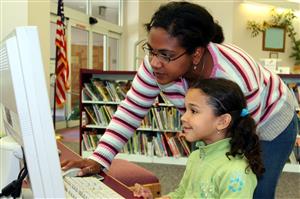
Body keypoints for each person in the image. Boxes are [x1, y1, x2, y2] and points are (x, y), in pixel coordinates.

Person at [61, 2, 298, 198]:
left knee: (252, 187)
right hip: (212, 124)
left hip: (268, 121)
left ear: (196, 53)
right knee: (198, 181)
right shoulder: (157, 65)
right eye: (151, 50)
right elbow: (131, 109)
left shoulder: (236, 76)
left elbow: (242, 139)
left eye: (165, 54)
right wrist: (99, 159)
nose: (155, 62)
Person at [133, 78, 265, 198]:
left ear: (222, 121)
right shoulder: (196, 156)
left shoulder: (236, 173)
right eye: (186, 110)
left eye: (194, 111)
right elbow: (180, 195)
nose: (183, 117)